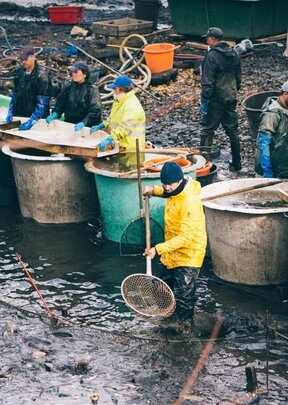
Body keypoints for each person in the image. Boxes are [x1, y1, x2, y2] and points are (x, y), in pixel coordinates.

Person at [143, 162, 207, 327]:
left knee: (184, 297)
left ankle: (184, 329)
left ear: (179, 181)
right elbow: (167, 192)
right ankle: (168, 318)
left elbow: (186, 237)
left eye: (170, 184)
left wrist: (158, 249)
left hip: (189, 253)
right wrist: (154, 191)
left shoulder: (189, 202)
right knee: (159, 286)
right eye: (164, 184)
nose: (167, 187)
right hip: (172, 251)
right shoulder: (176, 190)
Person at [199, 27, 242, 171]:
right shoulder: (234, 53)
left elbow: (207, 81)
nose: (207, 41)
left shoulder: (211, 56)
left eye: (208, 38)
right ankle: (237, 163)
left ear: (213, 39)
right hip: (230, 96)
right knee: (232, 131)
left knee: (208, 130)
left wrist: (205, 99)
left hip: (215, 99)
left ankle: (203, 166)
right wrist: (234, 90)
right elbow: (238, 77)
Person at [255, 80, 288, 178]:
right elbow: (263, 142)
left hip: (283, 165)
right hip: (272, 167)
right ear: (285, 94)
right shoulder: (271, 114)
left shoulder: (287, 108)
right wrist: (266, 168)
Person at [91, 75, 145, 153]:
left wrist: (110, 138)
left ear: (121, 88)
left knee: (130, 165)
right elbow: (113, 119)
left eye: (115, 88)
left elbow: (125, 128)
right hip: (121, 144)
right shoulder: (120, 101)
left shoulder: (131, 105)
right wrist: (103, 124)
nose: (113, 90)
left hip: (131, 149)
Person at [45, 61, 102, 131]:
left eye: (76, 72)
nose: (73, 74)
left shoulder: (92, 90)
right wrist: (55, 113)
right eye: (72, 72)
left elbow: (95, 110)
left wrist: (84, 122)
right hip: (70, 124)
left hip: (87, 127)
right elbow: (60, 103)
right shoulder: (68, 87)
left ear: (85, 74)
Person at [5, 48, 51, 131]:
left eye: (25, 59)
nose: (23, 62)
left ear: (33, 57)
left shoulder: (41, 76)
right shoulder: (19, 72)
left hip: (36, 119)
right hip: (20, 113)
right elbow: (15, 93)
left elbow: (42, 103)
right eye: (21, 59)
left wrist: (32, 120)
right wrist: (10, 111)